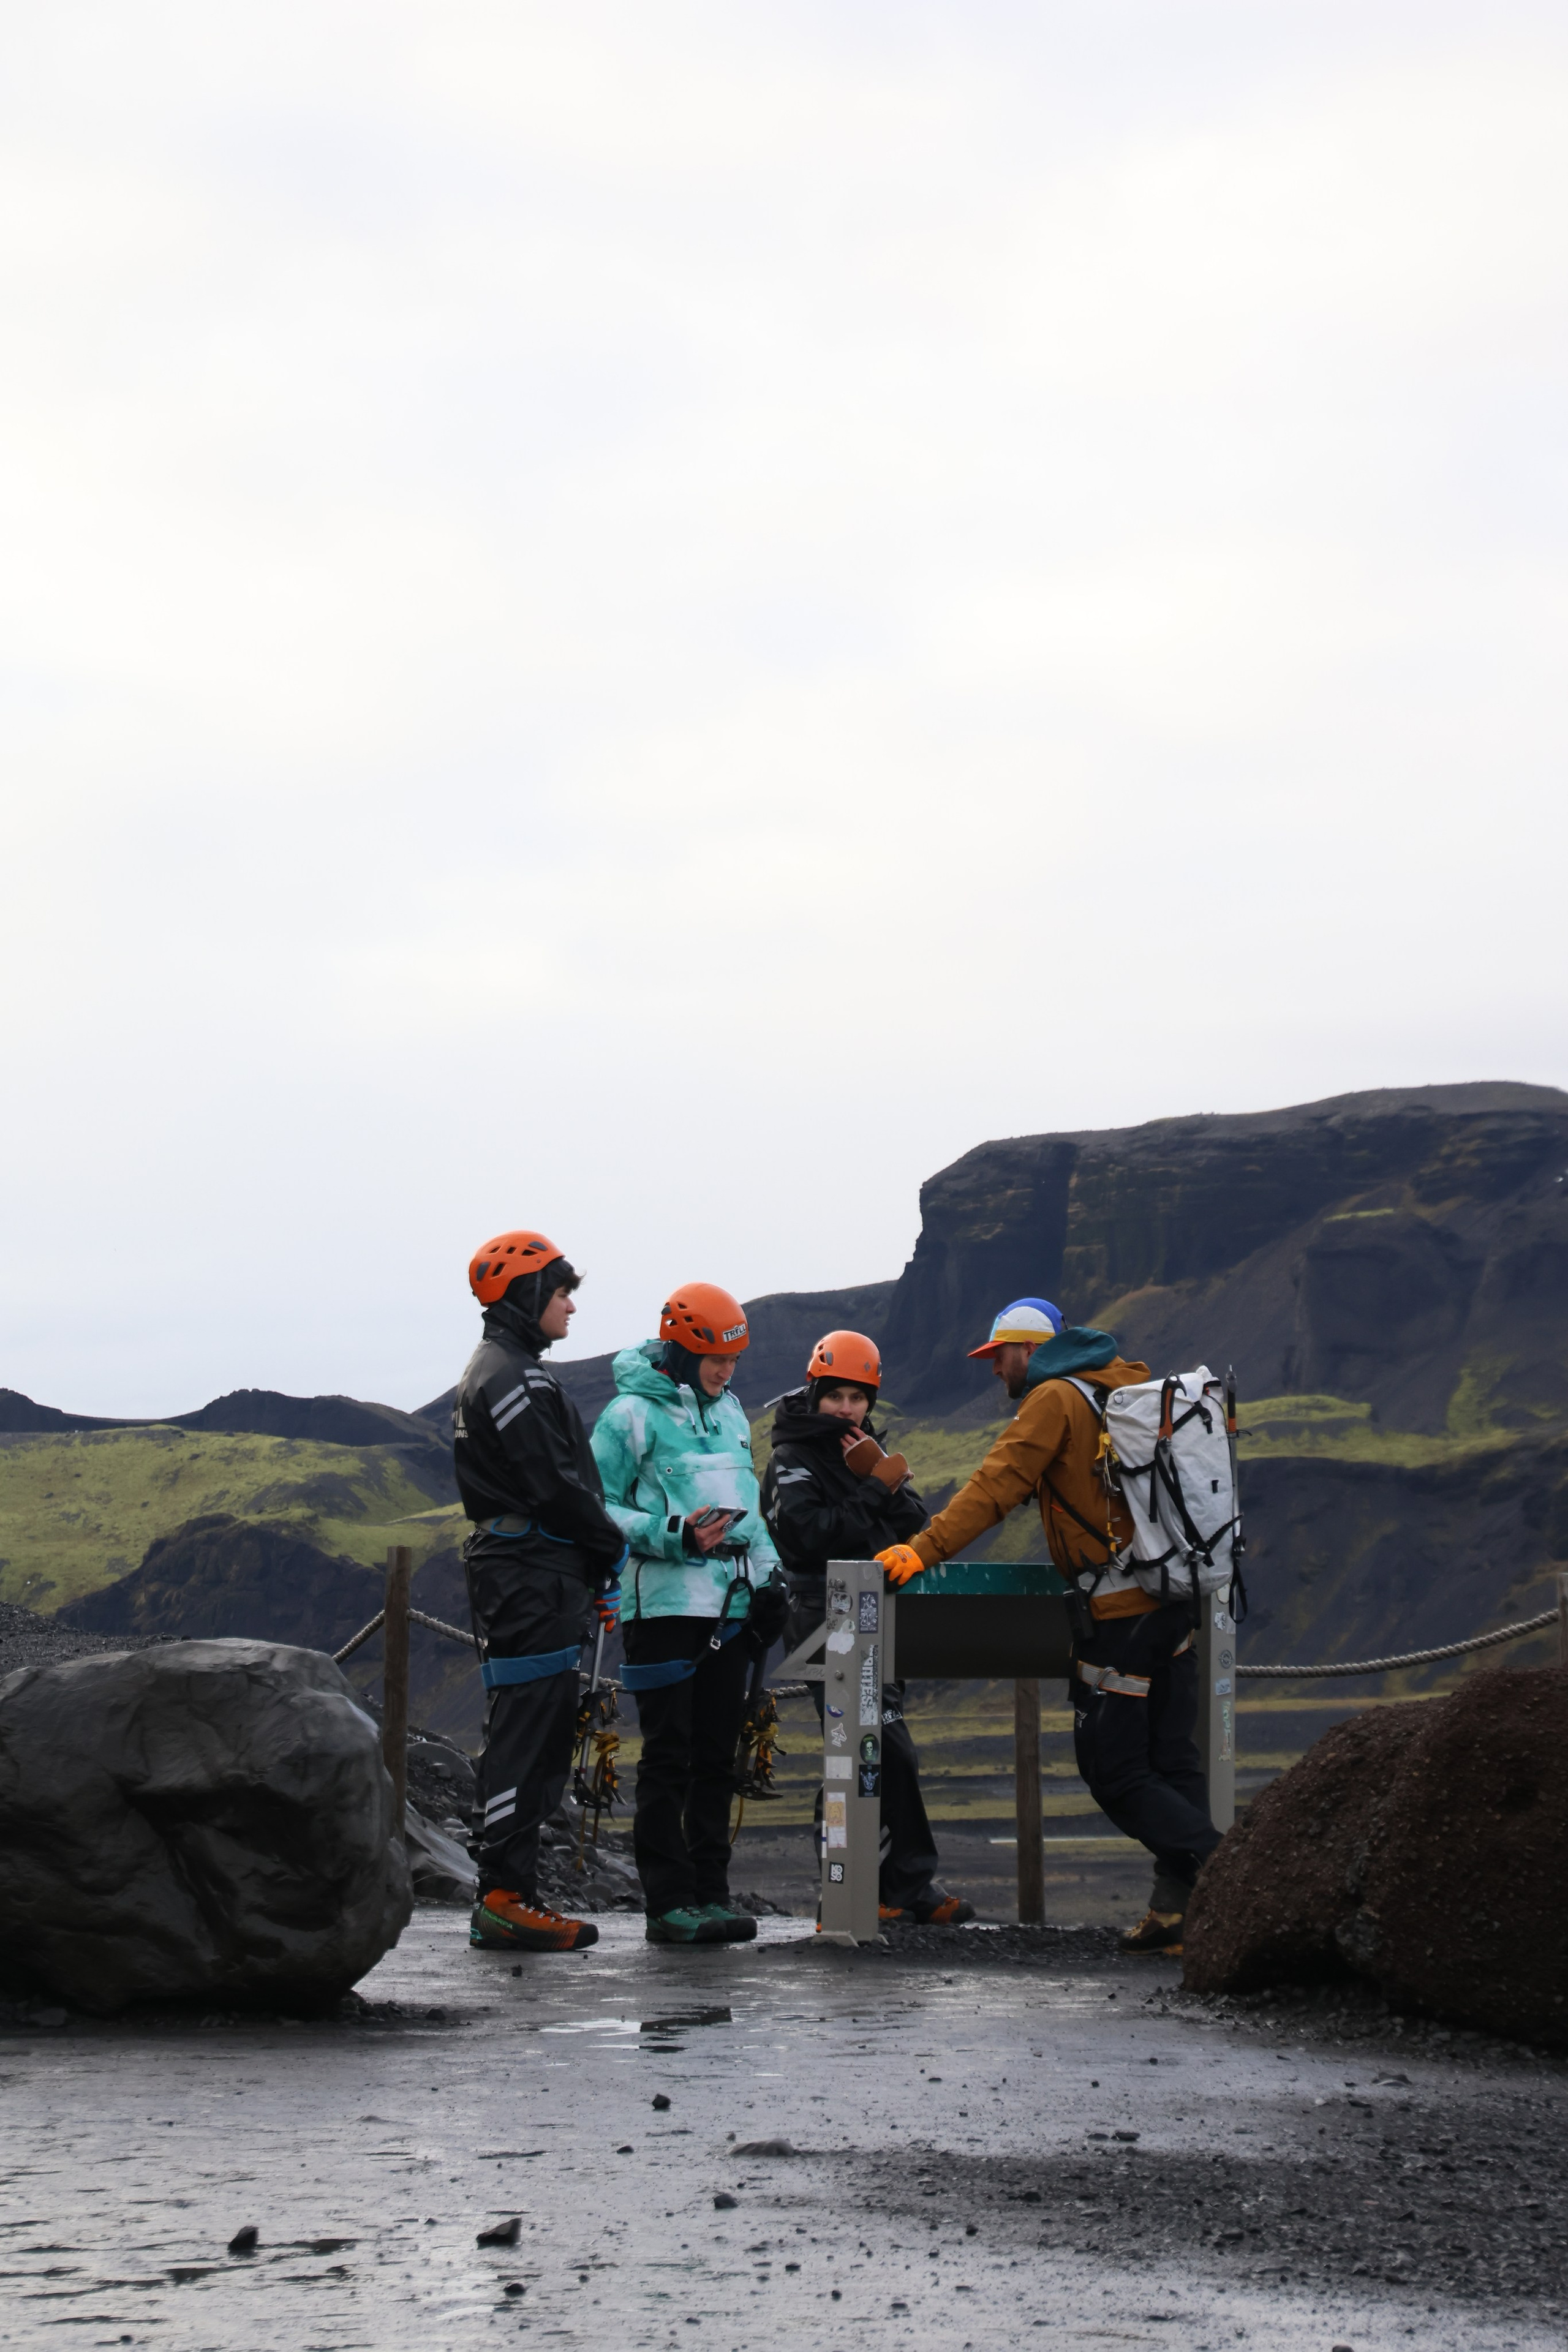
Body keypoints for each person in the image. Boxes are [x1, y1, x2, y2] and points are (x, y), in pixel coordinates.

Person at [875, 1296, 1222, 1954]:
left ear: (1029, 1351)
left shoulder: (1055, 1399)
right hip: (1174, 1604)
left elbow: (997, 1485)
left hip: (1120, 1616)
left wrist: (921, 1551)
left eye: (999, 1355)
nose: (993, 1370)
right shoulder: (1125, 1385)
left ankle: (1230, 1871)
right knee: (1172, 1762)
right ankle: (1179, 1915)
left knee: (1115, 1772)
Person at [591, 1283, 788, 1946]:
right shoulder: (627, 1417)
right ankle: (668, 1903)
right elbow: (599, 1507)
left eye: (734, 1360)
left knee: (716, 1756)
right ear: (678, 1348)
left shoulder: (732, 1412)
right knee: (668, 1757)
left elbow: (749, 1510)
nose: (726, 1372)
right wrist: (673, 1533)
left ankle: (711, 1893)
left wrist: (769, 1581)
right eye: (713, 1359)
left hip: (729, 1608)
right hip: (664, 1608)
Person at [453, 1229, 629, 1954]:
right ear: (528, 1296)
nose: (570, 1309)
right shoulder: (514, 1378)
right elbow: (551, 1485)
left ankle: (512, 1893)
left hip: (535, 1571)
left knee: (540, 1728)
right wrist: (609, 1544)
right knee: (528, 1730)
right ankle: (501, 1898)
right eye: (562, 1294)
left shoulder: (501, 1368)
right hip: (529, 1572)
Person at [761, 1330, 974, 1926]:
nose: (848, 1410)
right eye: (837, 1397)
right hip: (821, 1613)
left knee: (889, 1751)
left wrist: (881, 1478)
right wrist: (874, 1488)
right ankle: (843, 1890)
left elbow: (912, 1524)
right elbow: (809, 1538)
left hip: (878, 1613)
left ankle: (904, 1886)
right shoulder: (790, 1460)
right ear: (816, 1392)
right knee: (853, 1752)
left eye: (859, 1398)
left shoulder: (864, 1453)